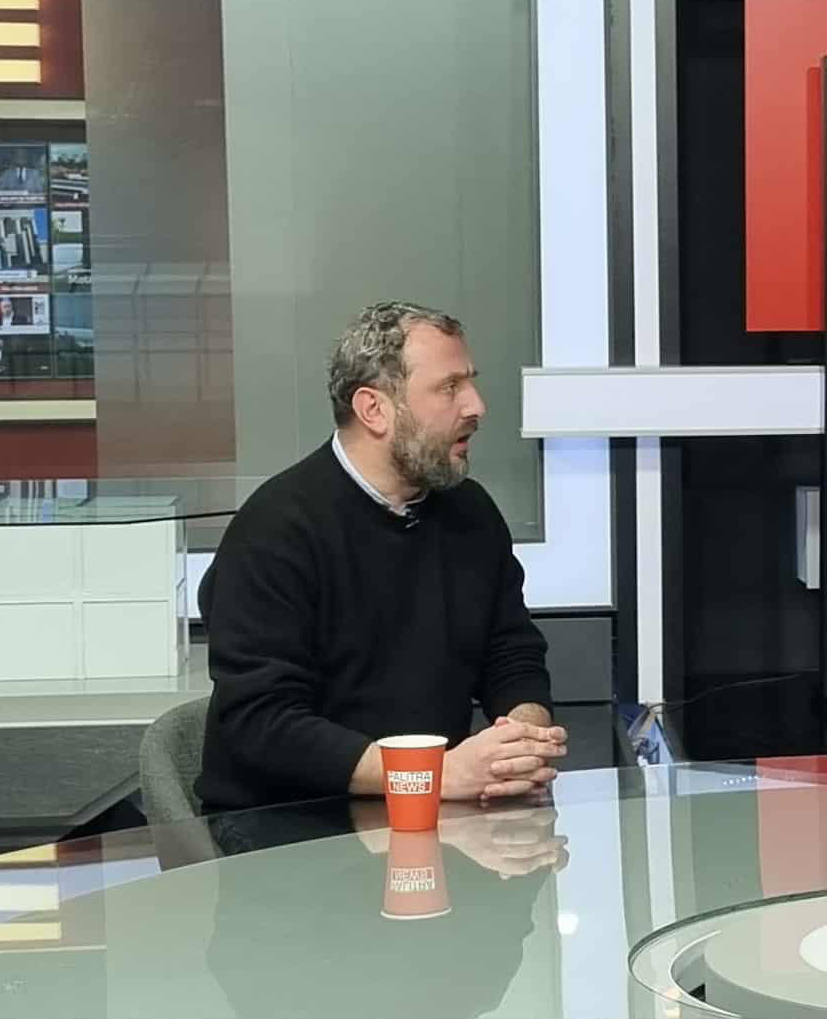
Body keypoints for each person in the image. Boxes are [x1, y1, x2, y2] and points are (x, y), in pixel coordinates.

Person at [196, 301, 567, 810]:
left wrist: (522, 740)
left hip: (431, 812)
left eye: (471, 382)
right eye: (449, 387)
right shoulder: (275, 529)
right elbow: (262, 724)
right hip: (288, 825)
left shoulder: (470, 512)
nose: (476, 406)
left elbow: (511, 653)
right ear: (374, 409)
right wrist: (431, 775)